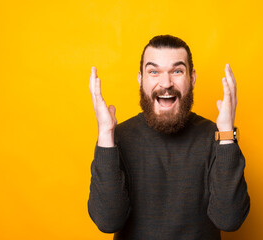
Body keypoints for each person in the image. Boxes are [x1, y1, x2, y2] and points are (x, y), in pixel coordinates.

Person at [88, 35, 250, 240]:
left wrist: (227, 132)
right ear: (140, 79)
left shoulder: (216, 136)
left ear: (192, 78)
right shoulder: (116, 137)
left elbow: (230, 220)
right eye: (154, 71)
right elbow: (108, 221)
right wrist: (105, 134)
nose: (166, 83)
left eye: (177, 71)